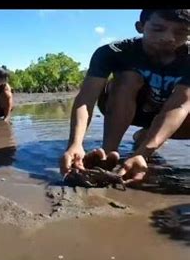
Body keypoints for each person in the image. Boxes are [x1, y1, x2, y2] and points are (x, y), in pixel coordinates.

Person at [60, 9, 190, 184]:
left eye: (180, 32)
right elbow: (86, 98)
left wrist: (143, 153)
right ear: (140, 27)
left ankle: (145, 138)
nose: (169, 38)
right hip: (128, 106)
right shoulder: (115, 51)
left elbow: (180, 105)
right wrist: (75, 144)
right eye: (158, 29)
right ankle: (108, 153)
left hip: (172, 116)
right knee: (128, 77)